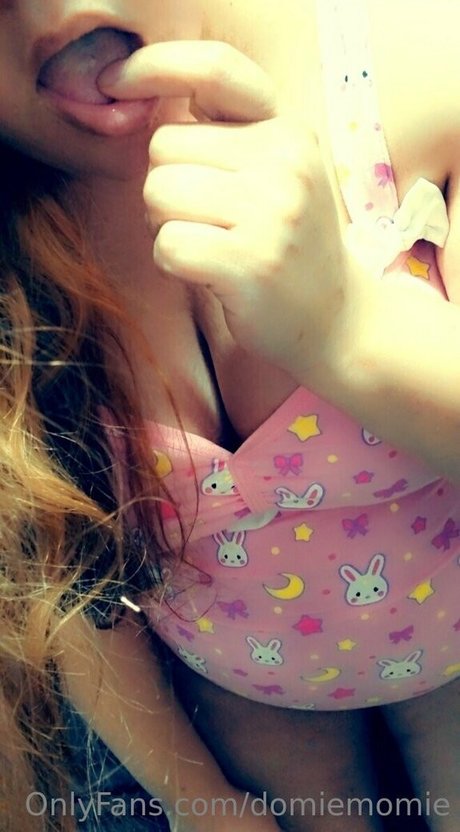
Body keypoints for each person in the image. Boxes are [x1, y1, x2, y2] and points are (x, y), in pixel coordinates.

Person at [0, 1, 459, 831]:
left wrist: (344, 327)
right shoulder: (21, 261)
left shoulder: (411, 66)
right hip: (248, 692)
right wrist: (200, 801)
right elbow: (65, 590)